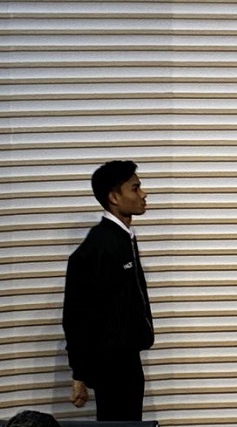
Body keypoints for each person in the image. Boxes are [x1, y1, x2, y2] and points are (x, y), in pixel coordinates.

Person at [62, 160, 154, 421]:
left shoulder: (124, 239)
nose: (144, 194)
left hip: (127, 360)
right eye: (135, 188)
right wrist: (79, 374)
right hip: (111, 366)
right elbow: (77, 314)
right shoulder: (99, 247)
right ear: (114, 197)